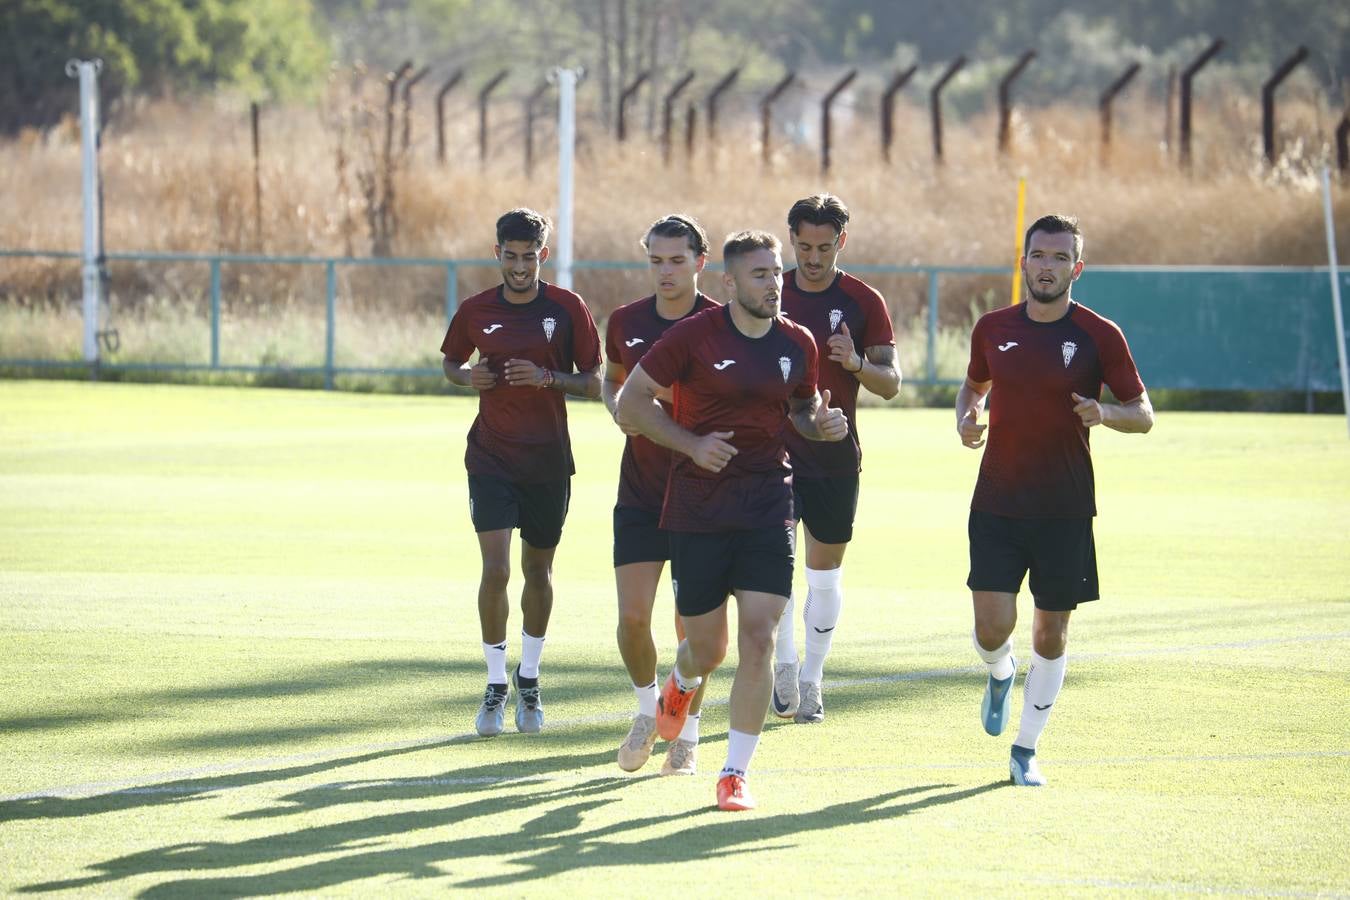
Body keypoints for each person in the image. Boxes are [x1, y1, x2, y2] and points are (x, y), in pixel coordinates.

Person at [617, 230, 849, 811]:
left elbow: (800, 405)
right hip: (697, 506)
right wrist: (691, 445)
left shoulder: (798, 342)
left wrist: (820, 423)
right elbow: (630, 402)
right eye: (760, 275)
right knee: (708, 646)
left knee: (760, 635)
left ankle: (734, 773)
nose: (774, 285)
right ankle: (682, 681)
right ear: (729, 282)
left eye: (776, 273)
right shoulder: (692, 337)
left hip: (769, 500)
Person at [956, 214, 1153, 786]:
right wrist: (967, 415)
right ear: (1024, 262)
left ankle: (1025, 749)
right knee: (993, 628)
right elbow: (974, 384)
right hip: (995, 500)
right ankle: (999, 671)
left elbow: (1143, 414)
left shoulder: (1100, 335)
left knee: (1050, 631)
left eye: (1060, 258)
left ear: (1077, 268)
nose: (1047, 266)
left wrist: (1105, 413)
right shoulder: (992, 327)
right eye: (1039, 255)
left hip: (1065, 508)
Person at [440, 207, 602, 738]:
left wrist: (547, 377)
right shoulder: (475, 309)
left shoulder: (567, 307)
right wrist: (470, 377)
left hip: (548, 462)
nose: (519, 267)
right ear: (497, 254)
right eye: (510, 257)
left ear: (543, 256)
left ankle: (528, 677)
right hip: (490, 458)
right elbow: (450, 364)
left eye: (529, 257)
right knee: (496, 571)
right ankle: (493, 683)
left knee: (538, 571)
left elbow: (595, 382)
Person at [773, 193, 902, 724]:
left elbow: (891, 383)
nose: (812, 257)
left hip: (833, 458)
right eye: (803, 246)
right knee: (772, 571)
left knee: (823, 577)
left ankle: (813, 678)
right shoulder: (769, 290)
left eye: (824, 247)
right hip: (770, 457)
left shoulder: (864, 301)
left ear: (841, 242)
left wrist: (853, 364)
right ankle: (783, 665)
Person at [603, 214, 720, 776]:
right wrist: (617, 407)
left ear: (702, 260)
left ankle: (687, 735)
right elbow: (612, 378)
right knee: (631, 618)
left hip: (703, 498)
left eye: (677, 260)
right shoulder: (625, 320)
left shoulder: (724, 324)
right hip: (641, 493)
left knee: (691, 630)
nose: (666, 271)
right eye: (656, 260)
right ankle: (647, 711)